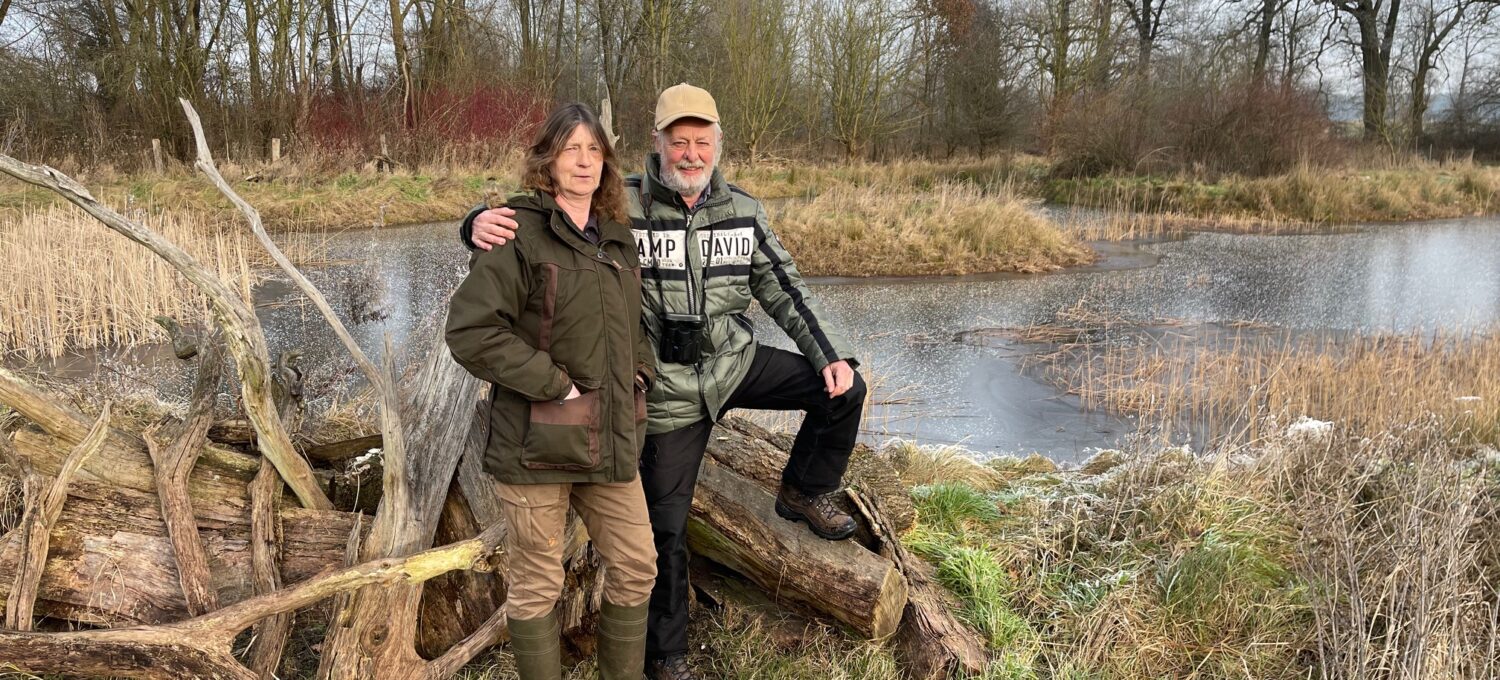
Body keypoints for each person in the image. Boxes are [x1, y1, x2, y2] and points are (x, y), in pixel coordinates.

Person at [458, 84, 866, 680]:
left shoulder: (743, 211)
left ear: (718, 145)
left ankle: (806, 488)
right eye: (680, 142)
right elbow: (541, 216)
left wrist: (831, 355)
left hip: (731, 365)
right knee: (664, 529)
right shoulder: (619, 204)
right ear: (658, 144)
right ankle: (666, 654)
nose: (692, 154)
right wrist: (473, 221)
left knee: (843, 387)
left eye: (703, 142)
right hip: (671, 393)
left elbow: (783, 288)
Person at [445, 102, 657, 680]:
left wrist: (641, 370)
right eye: (571, 149)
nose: (584, 162)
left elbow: (634, 322)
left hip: (609, 439)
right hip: (536, 445)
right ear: (548, 159)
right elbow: (469, 330)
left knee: (638, 565)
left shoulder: (616, 236)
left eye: (594, 150)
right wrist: (554, 383)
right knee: (538, 582)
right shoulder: (517, 231)